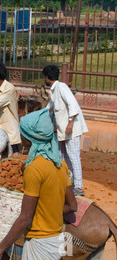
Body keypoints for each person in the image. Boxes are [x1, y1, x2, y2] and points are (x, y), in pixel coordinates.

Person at [0, 108, 77, 260]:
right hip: (56, 240)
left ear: (30, 138)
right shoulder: (60, 165)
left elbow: (25, 218)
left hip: (40, 244)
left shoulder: (34, 169)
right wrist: (48, 212)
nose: (20, 136)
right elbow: (72, 206)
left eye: (23, 133)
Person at [43, 64, 88, 196]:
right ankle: (67, 182)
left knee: (73, 156)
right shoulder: (54, 91)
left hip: (71, 129)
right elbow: (48, 109)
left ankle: (79, 187)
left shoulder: (61, 87)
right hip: (61, 131)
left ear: (47, 77)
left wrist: (70, 123)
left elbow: (72, 104)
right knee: (62, 156)